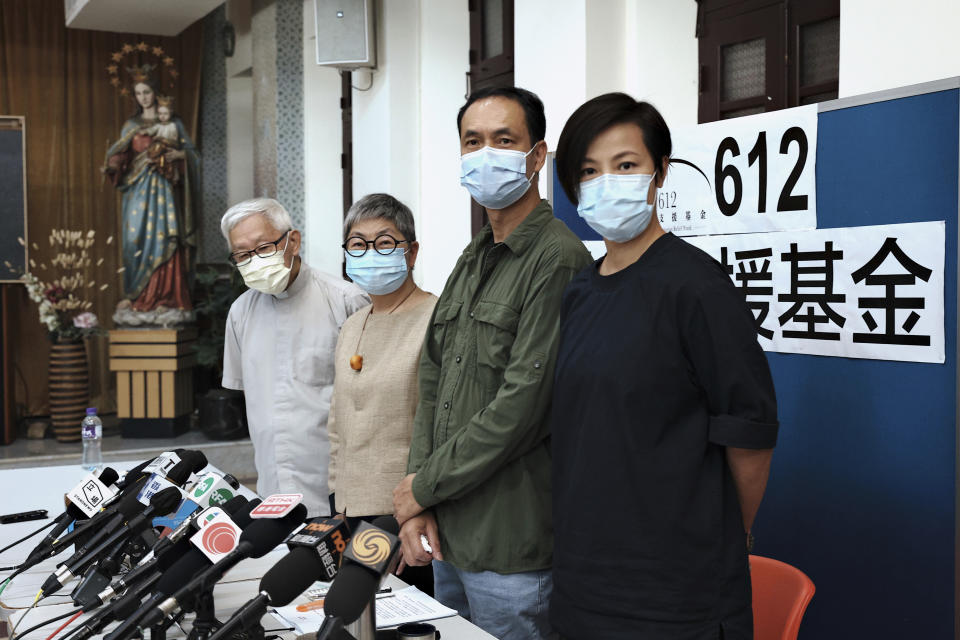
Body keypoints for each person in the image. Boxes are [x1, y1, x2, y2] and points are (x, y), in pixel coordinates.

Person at [549, 93, 779, 640]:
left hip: (676, 594)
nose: (607, 182)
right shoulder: (581, 289)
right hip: (585, 585)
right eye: (588, 171)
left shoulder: (696, 286)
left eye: (625, 165)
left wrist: (725, 536)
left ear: (661, 172)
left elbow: (749, 435)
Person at [392, 87, 593, 640]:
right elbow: (431, 382)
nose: (486, 153)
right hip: (449, 531)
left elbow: (522, 409)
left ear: (536, 156)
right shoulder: (474, 254)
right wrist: (418, 499)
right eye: (473, 141)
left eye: (504, 140)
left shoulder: (557, 258)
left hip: (511, 545)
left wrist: (423, 487)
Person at [221, 198, 368, 517]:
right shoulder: (241, 313)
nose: (254, 261)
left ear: (293, 241)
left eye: (262, 248)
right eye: (242, 254)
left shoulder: (345, 301)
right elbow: (248, 395)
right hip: (272, 489)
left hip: (338, 491)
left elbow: (370, 398)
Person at [328, 193, 437, 593]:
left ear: (411, 253)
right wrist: (336, 504)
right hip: (350, 511)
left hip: (409, 515)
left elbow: (438, 426)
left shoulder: (436, 319)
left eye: (385, 242)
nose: (370, 252)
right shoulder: (352, 325)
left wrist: (415, 511)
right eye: (358, 244)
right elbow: (338, 423)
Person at [103, 73, 197, 315]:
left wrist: (181, 156)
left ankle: (166, 297)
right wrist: (113, 164)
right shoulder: (131, 125)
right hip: (137, 190)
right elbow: (121, 153)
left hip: (163, 189)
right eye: (138, 93)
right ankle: (137, 295)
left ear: (155, 92)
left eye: (147, 92)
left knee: (164, 236)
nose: (143, 98)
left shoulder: (172, 124)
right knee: (134, 240)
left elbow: (192, 154)